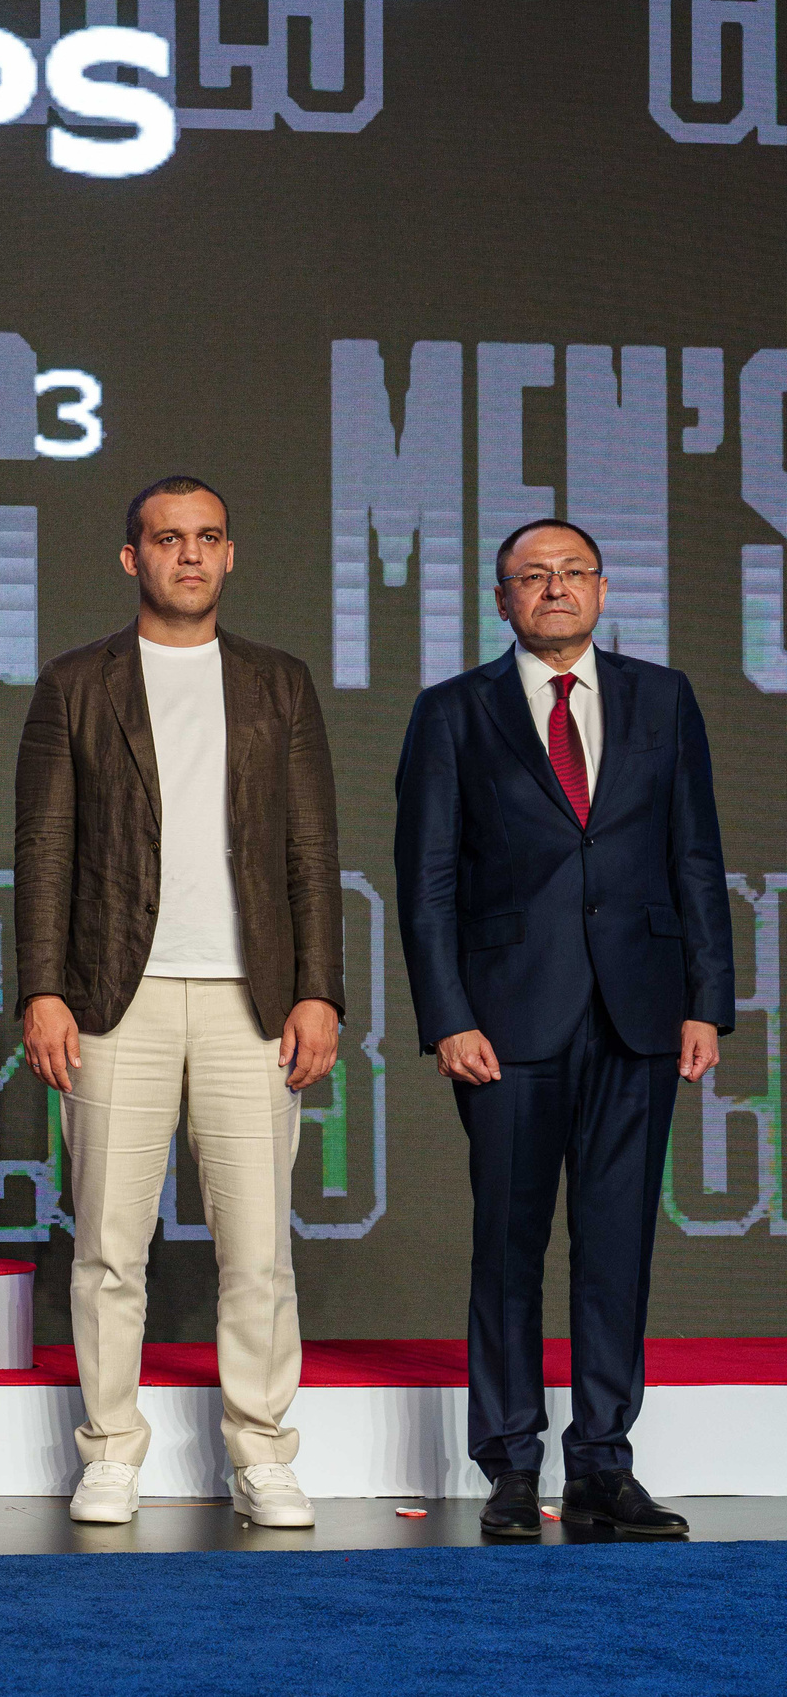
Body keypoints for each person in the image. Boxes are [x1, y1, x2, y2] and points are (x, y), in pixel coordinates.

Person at [13, 477, 343, 1530]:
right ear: (131, 558)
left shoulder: (278, 683)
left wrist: (319, 992)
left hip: (253, 1002)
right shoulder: (76, 683)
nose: (187, 556)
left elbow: (310, 851)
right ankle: (110, 1452)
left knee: (258, 1252)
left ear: (229, 555)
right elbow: (43, 851)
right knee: (109, 1247)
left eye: (206, 537)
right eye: (166, 539)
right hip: (116, 996)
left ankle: (262, 1456)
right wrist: (42, 989)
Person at [395, 517, 730, 1540]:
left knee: (617, 1248)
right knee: (506, 1246)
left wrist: (707, 1001)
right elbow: (428, 882)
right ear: (500, 599)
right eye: (529, 577)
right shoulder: (453, 712)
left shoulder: (662, 699)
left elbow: (694, 859)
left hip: (637, 1012)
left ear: (600, 587)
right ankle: (507, 1468)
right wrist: (446, 1016)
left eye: (569, 572)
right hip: (505, 1022)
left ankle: (601, 1467)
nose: (552, 589)